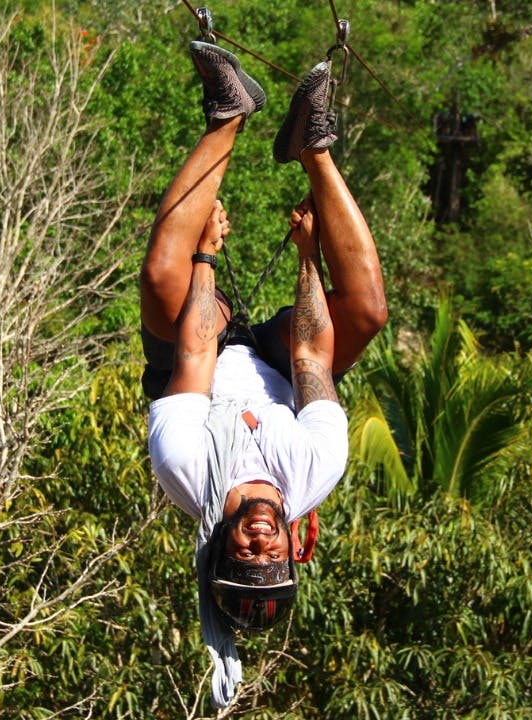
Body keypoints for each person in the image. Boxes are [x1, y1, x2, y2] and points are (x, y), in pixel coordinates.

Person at [140, 39, 387, 707]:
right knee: (364, 311)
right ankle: (314, 145)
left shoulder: (184, 470)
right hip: (281, 365)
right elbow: (311, 355)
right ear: (289, 552)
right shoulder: (316, 468)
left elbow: (195, 350)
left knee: (163, 276)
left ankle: (228, 113)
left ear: (222, 547)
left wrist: (205, 257)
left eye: (244, 557)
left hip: (204, 360)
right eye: (270, 559)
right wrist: (309, 257)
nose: (259, 543)